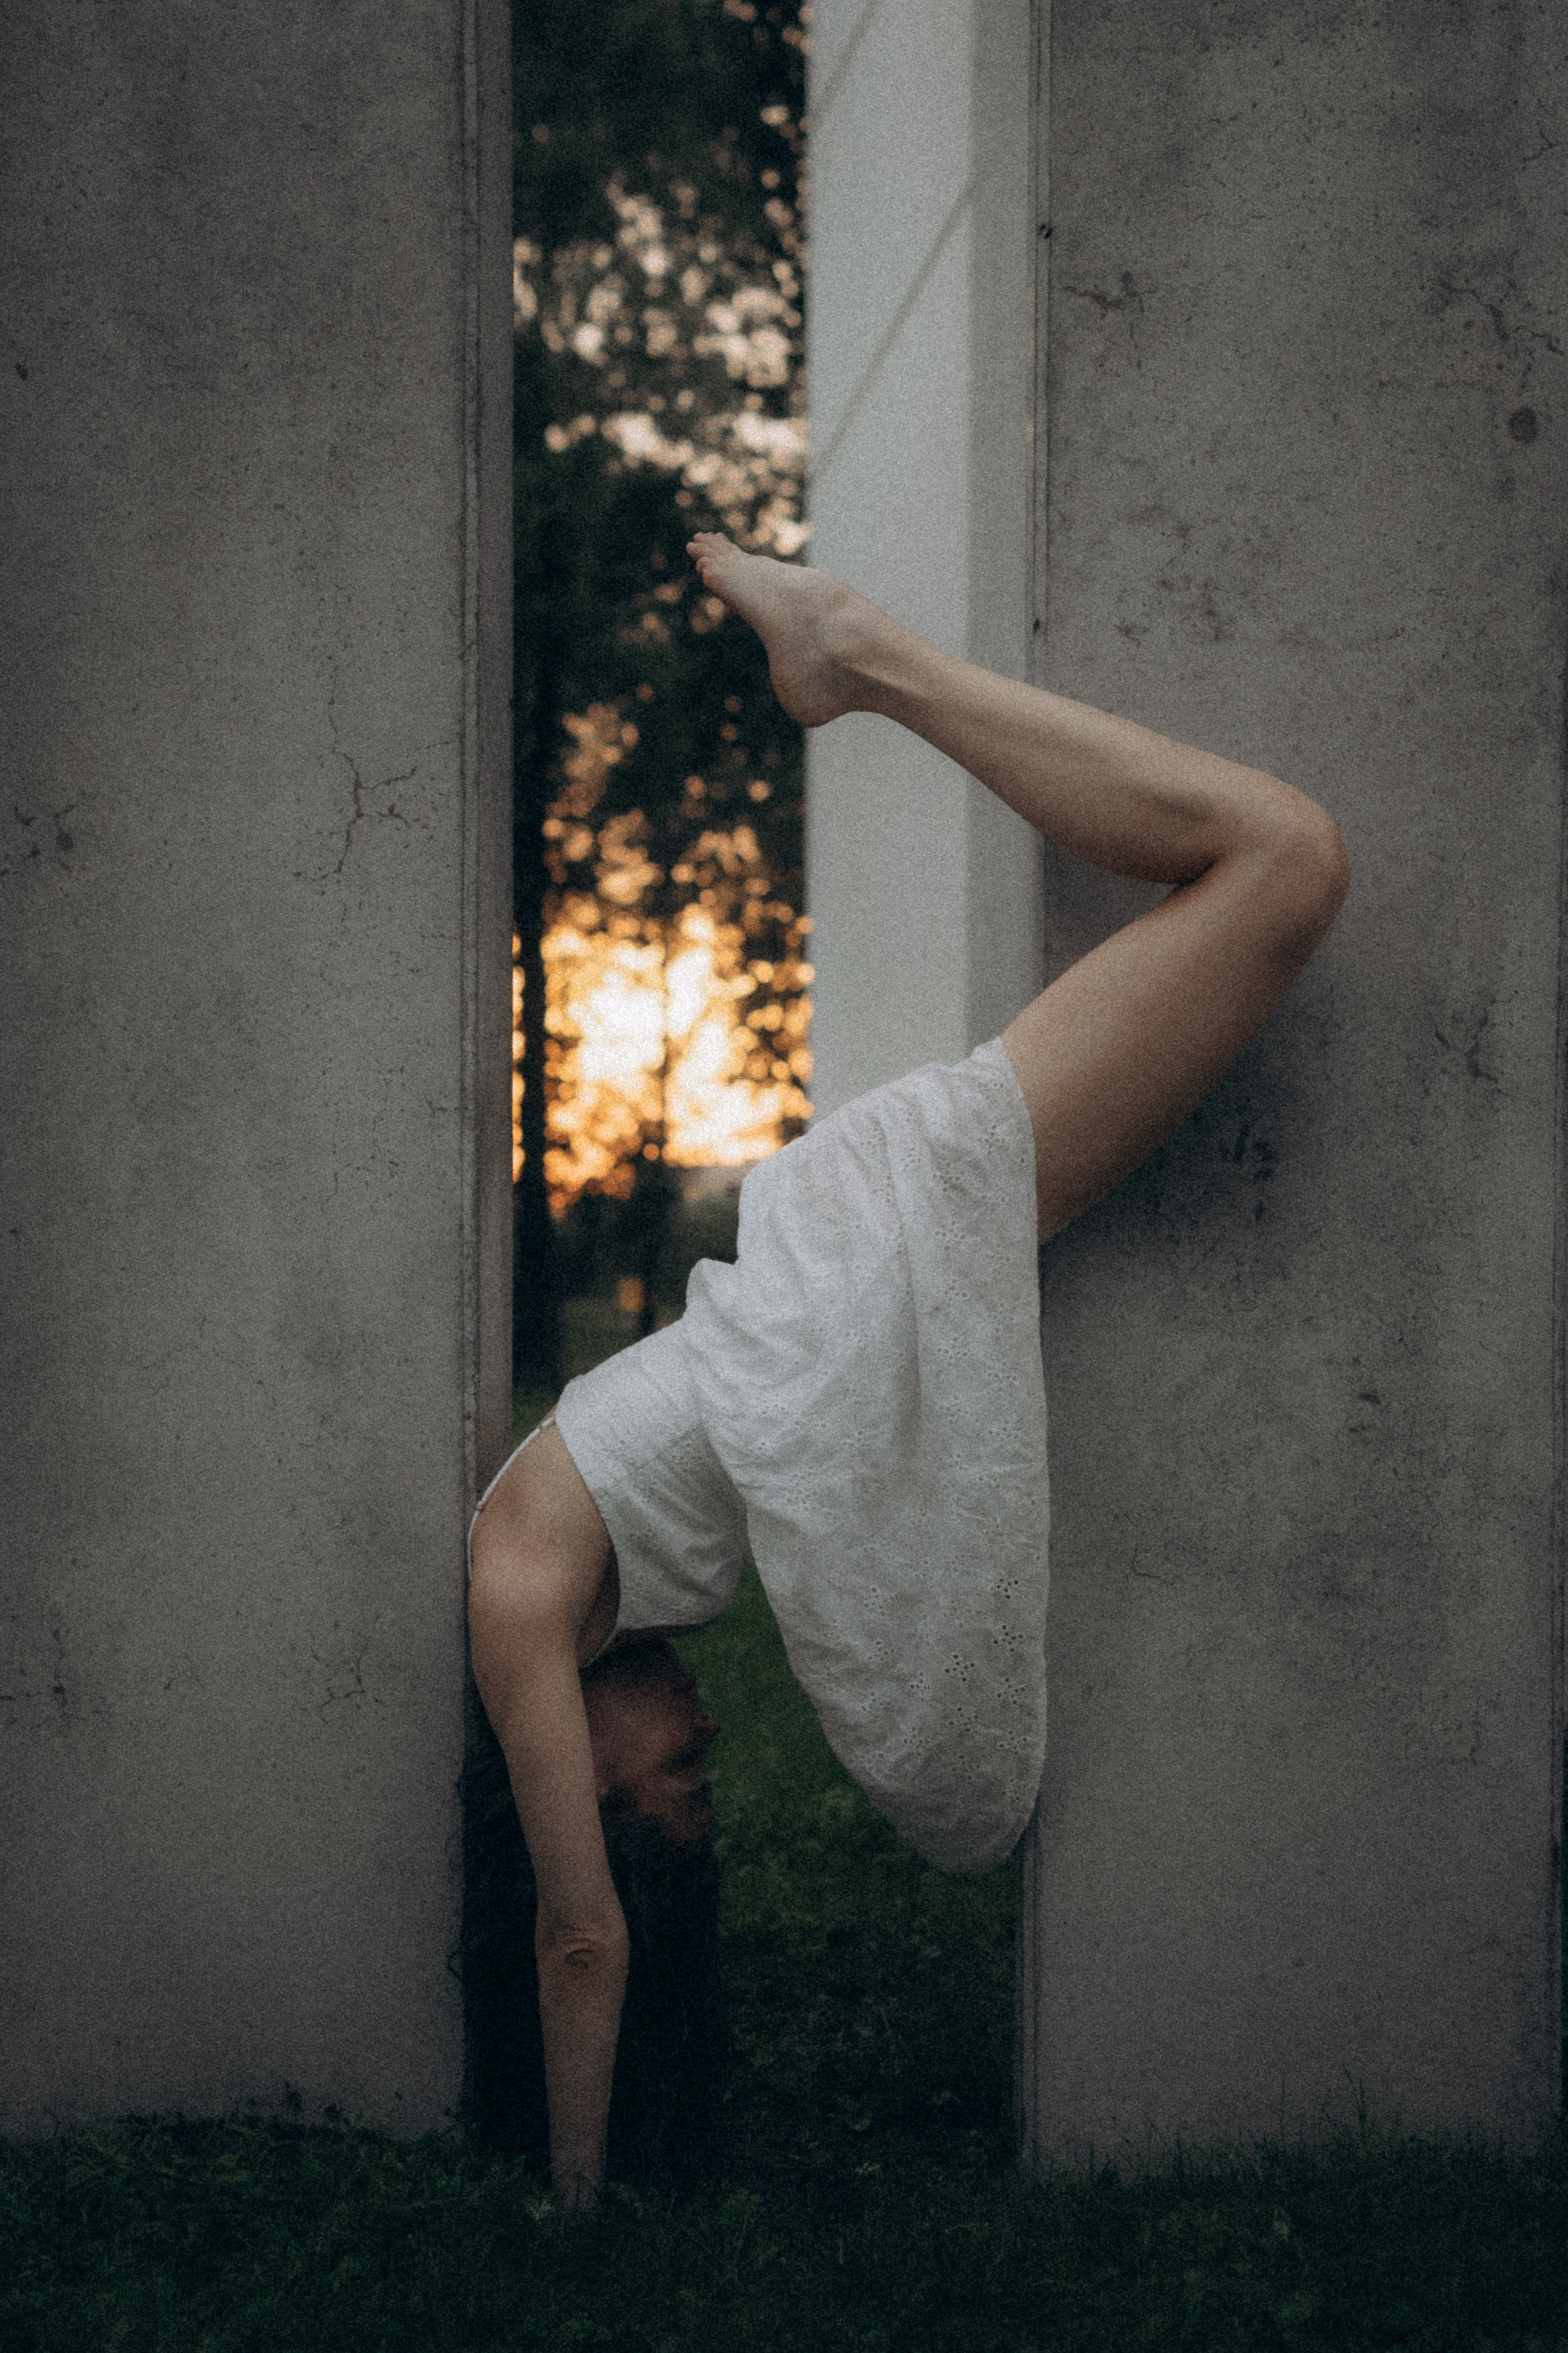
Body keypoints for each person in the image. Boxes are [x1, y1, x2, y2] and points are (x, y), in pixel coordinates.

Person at [468, 530, 1350, 2208]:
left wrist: (572, 2208)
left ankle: (863, 660)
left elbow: (578, 1932)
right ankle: (860, 662)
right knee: (1272, 861)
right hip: (849, 1289)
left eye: (672, 1774)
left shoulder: (516, 1598)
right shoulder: (564, 1571)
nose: (701, 1733)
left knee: (1283, 859)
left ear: (570, 1767)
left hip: (858, 1271)